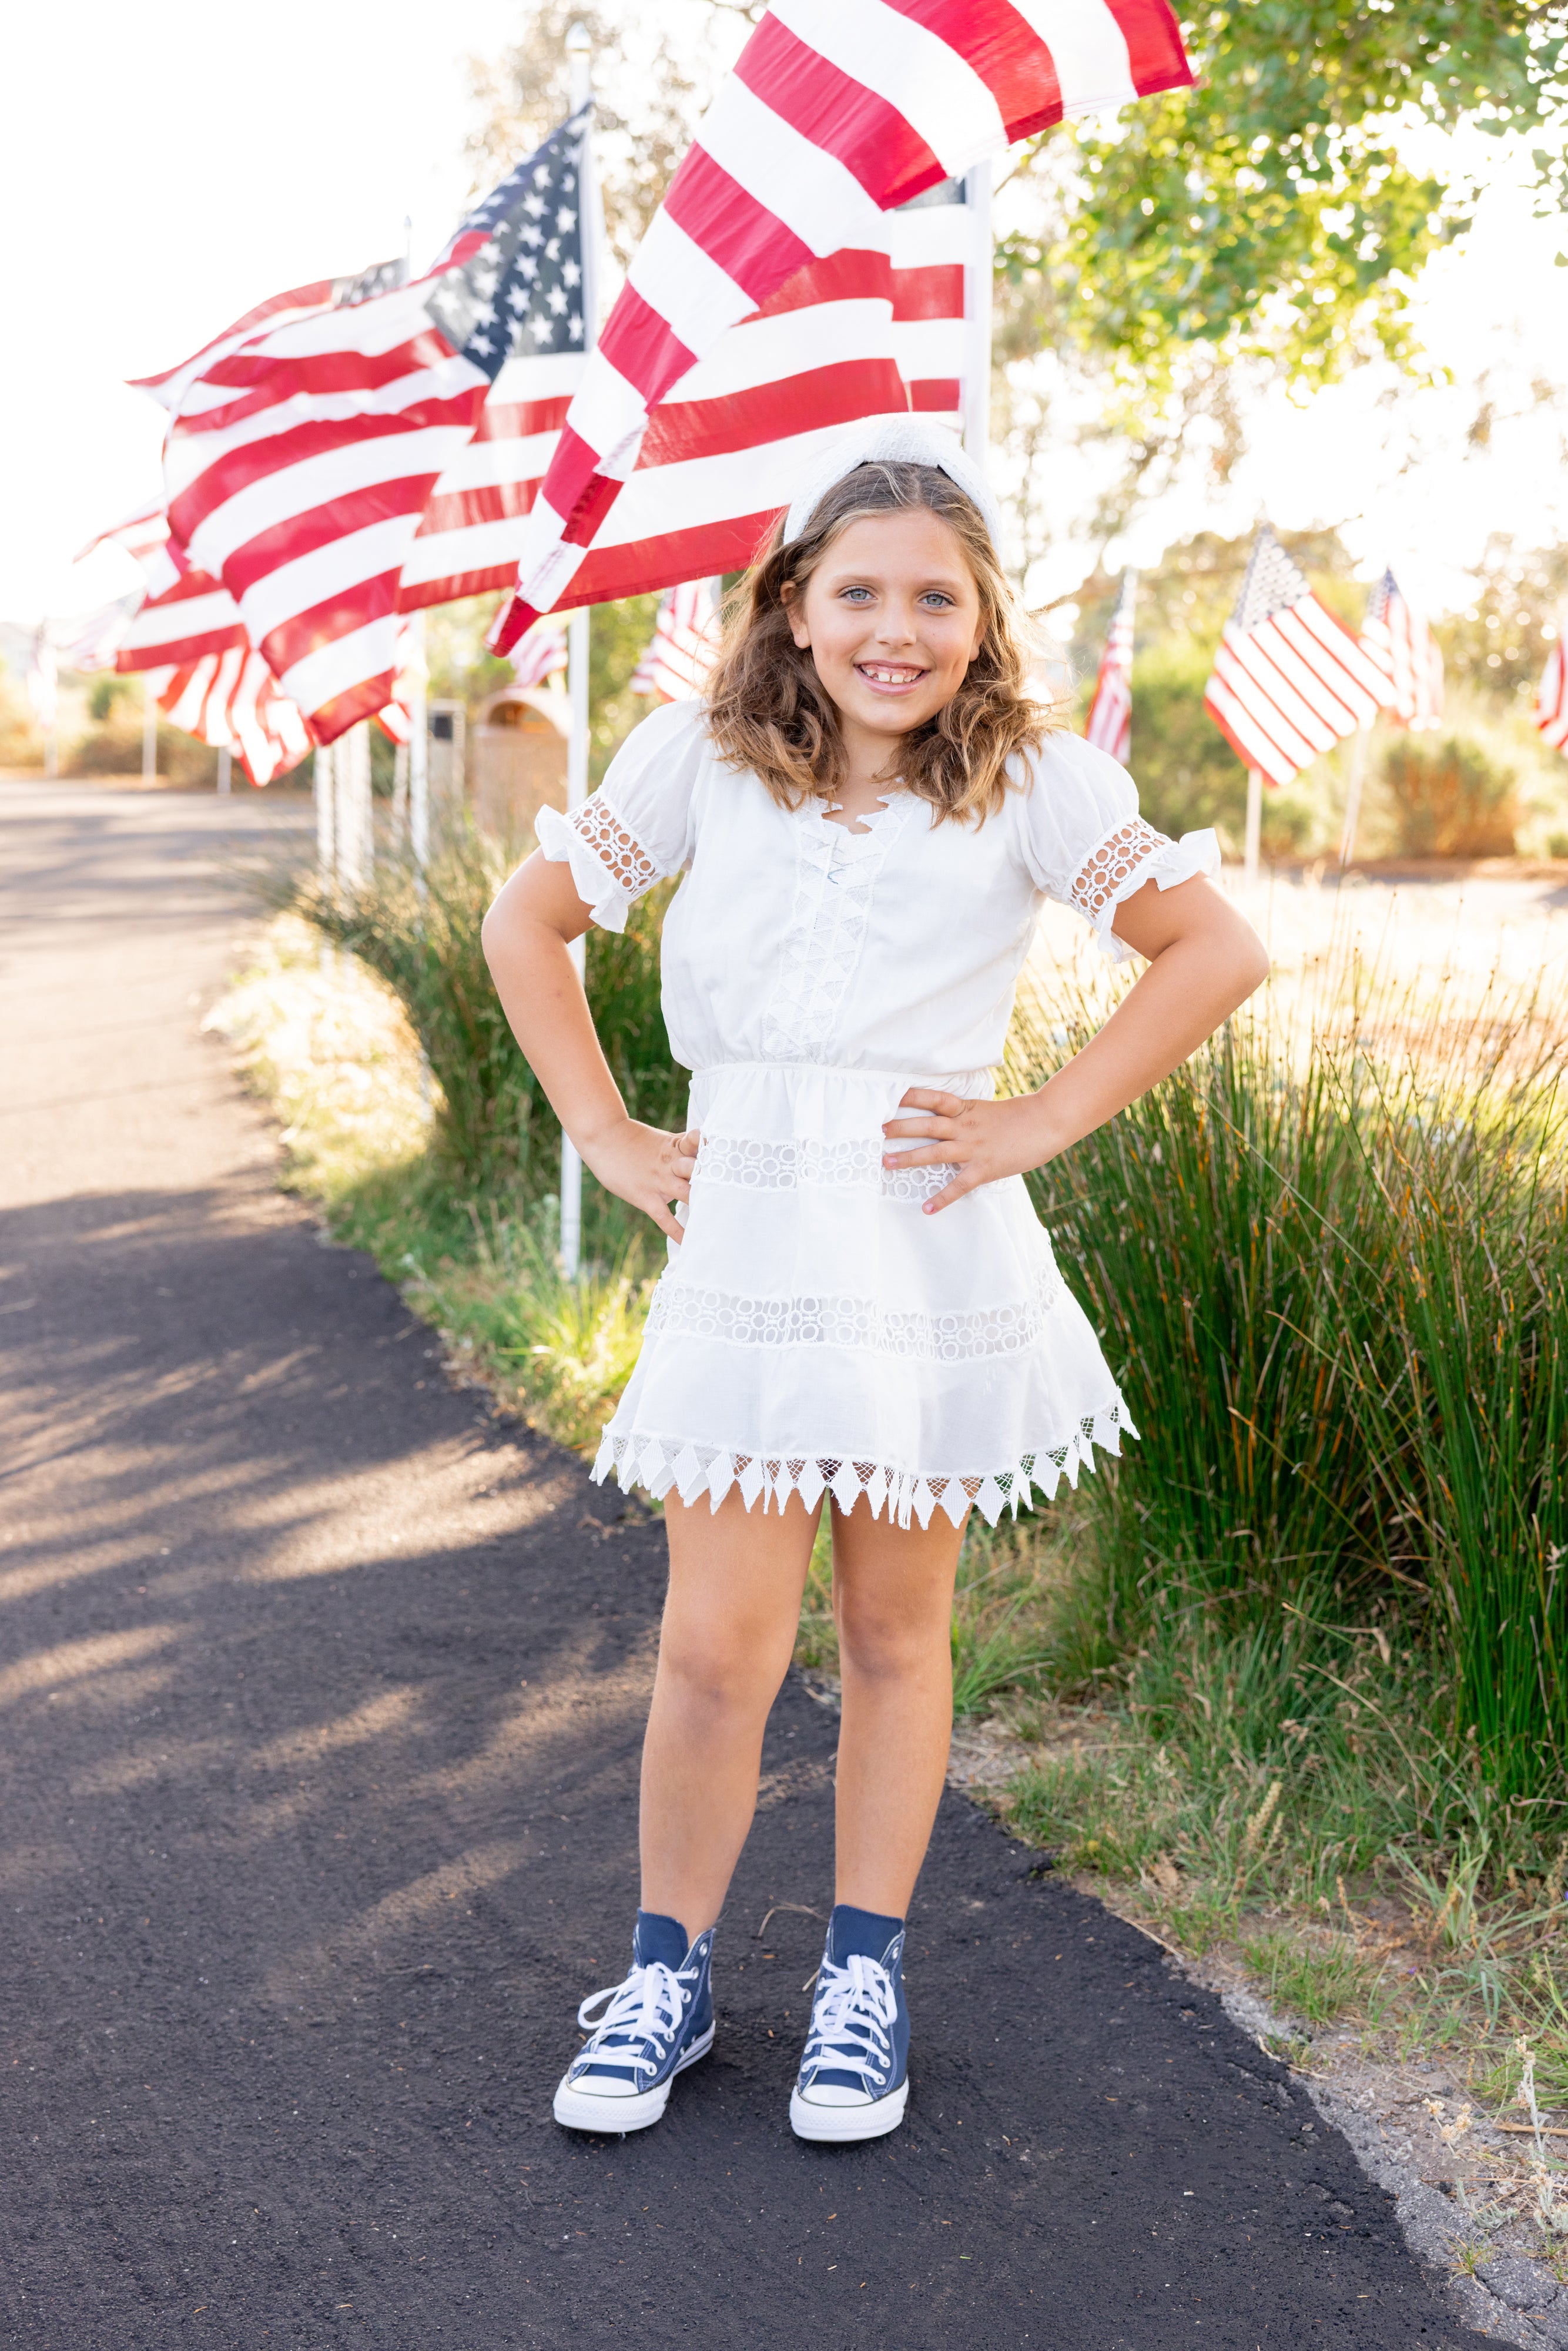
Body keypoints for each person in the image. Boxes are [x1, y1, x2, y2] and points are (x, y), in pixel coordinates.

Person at [481, 418, 1269, 2145]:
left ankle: (861, 1977)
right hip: (752, 1236)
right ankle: (666, 1976)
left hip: (919, 1240)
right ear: (792, 601)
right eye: (858, 592)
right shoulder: (698, 756)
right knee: (712, 1649)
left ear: (982, 620)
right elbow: (521, 929)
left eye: (934, 597)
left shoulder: (1030, 780)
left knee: (896, 1635)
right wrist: (608, 1131)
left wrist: (1038, 1119)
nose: (893, 629)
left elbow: (1214, 946)